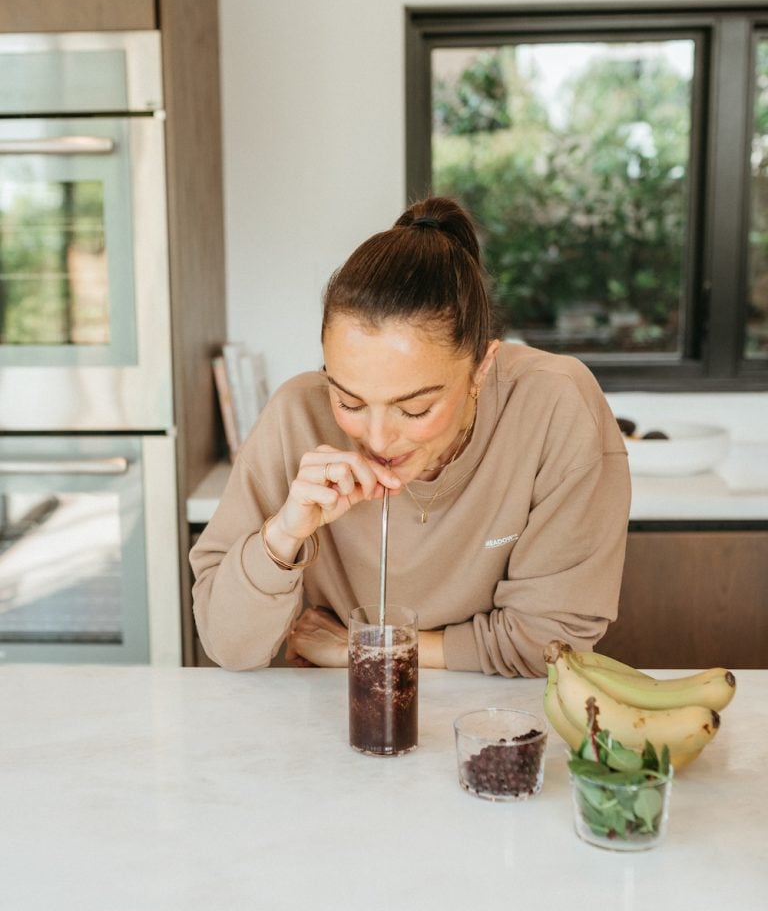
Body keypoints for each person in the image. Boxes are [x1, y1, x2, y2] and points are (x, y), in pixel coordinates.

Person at [190, 197, 630, 676]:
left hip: (493, 719)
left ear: (481, 368)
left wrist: (367, 649)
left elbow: (550, 644)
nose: (377, 438)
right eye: (349, 402)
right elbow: (227, 645)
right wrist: (284, 532)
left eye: (415, 408)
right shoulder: (296, 414)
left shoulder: (555, 404)